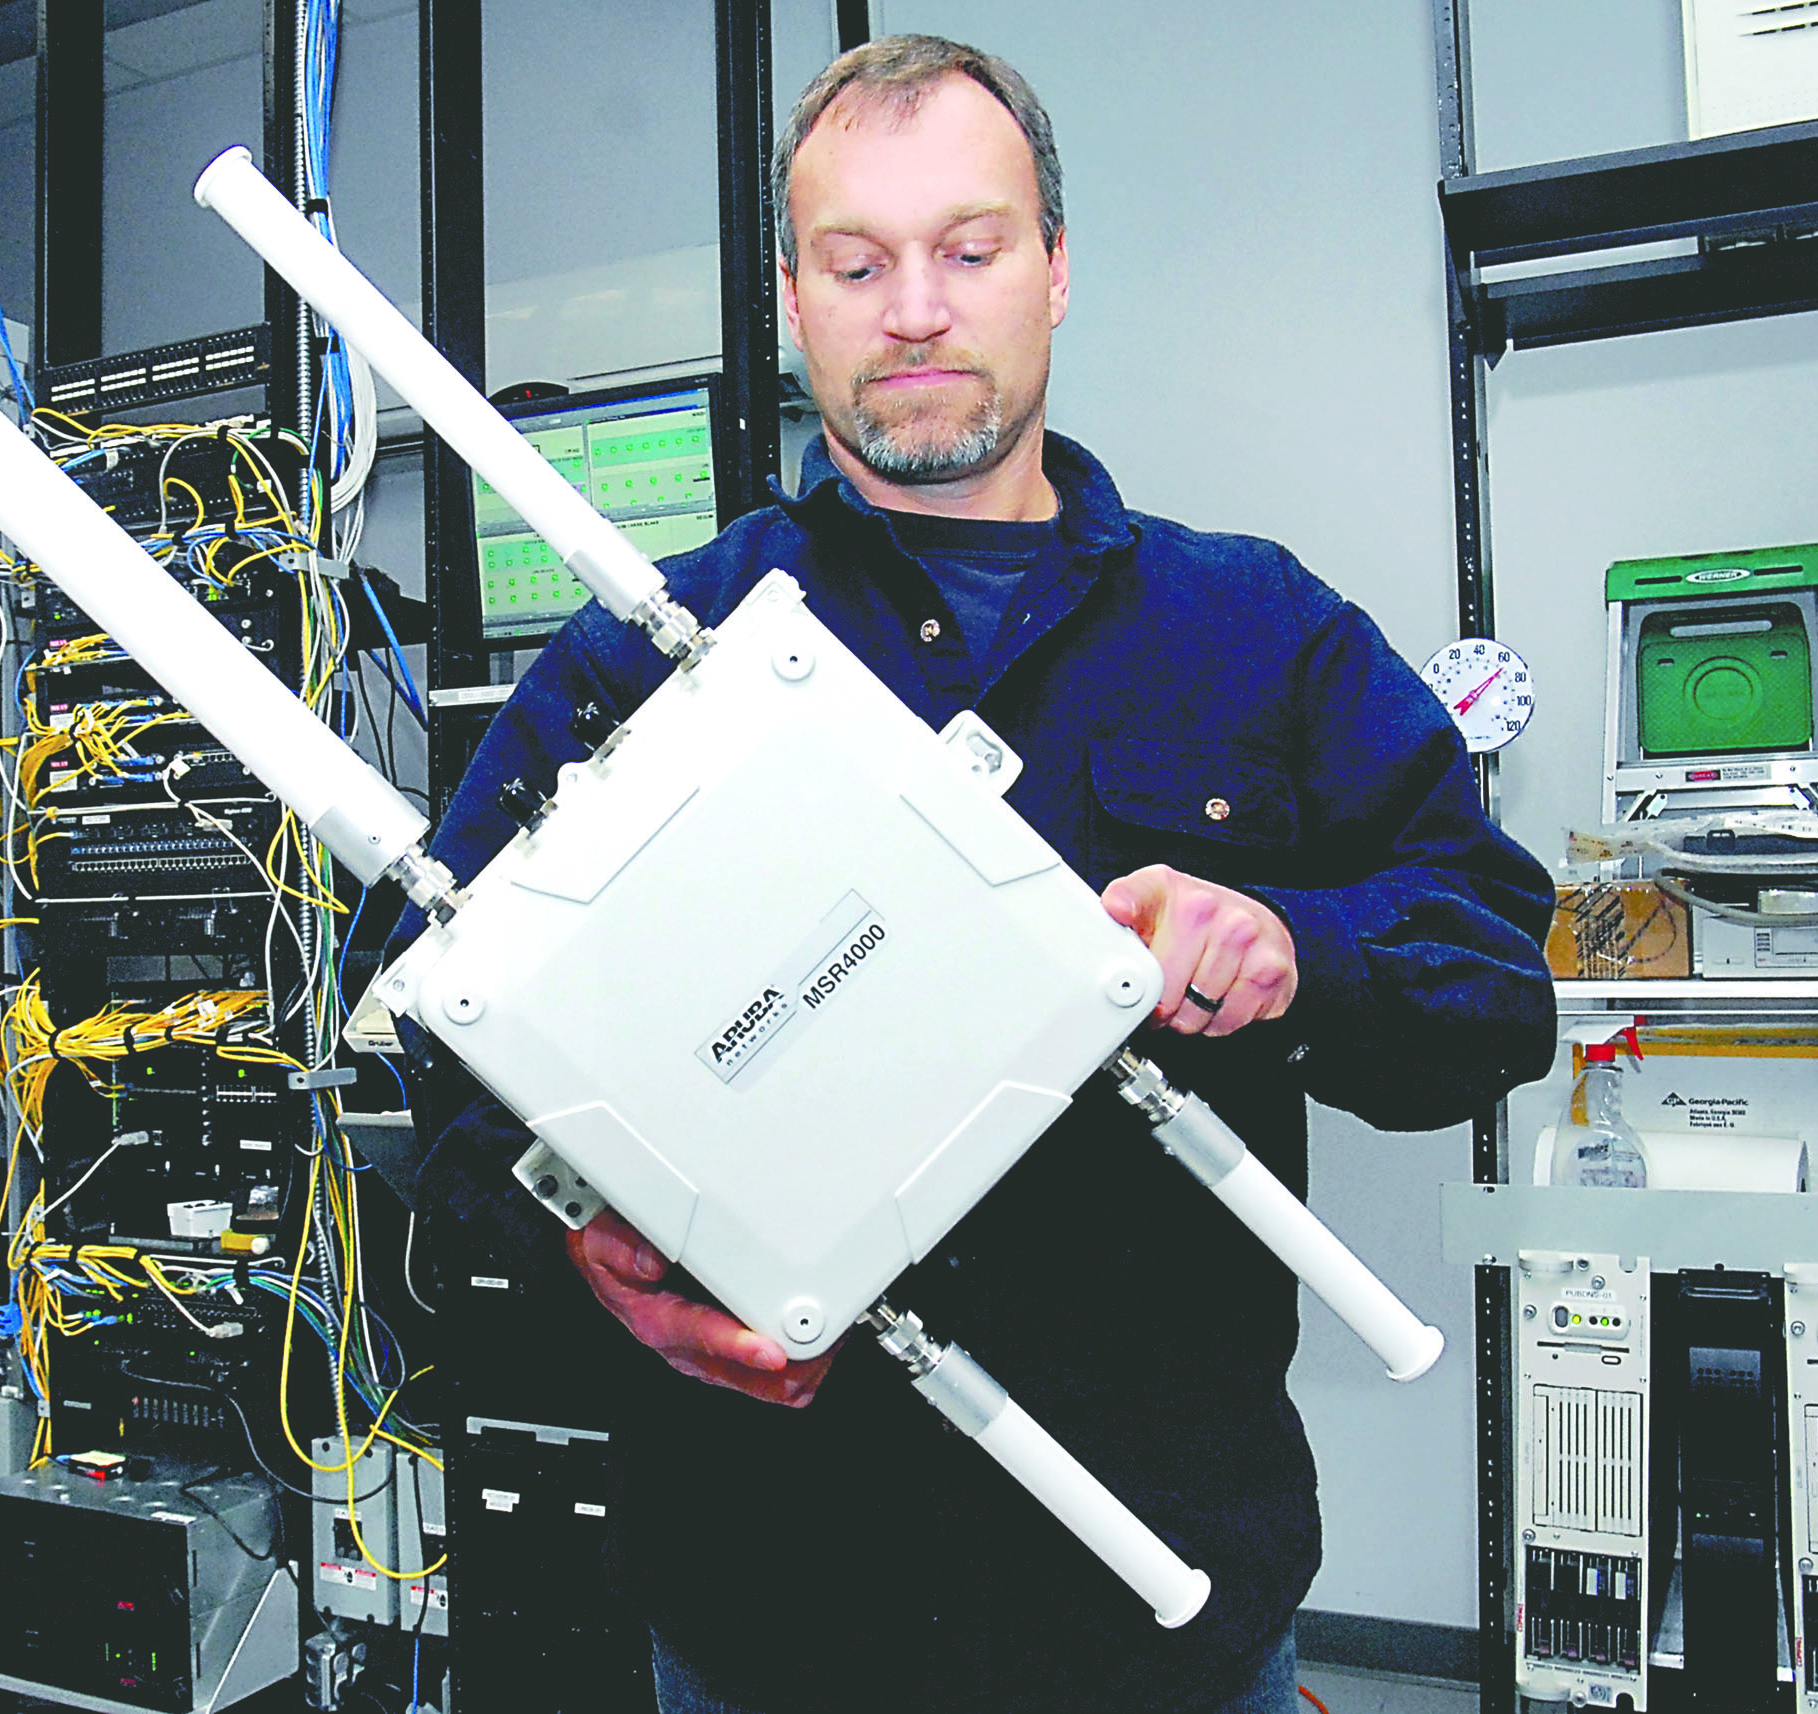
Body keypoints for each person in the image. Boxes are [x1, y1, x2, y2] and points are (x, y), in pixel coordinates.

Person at [403, 34, 1556, 1714]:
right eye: (857, 263)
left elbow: (1493, 973)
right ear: (793, 299)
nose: (917, 311)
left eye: (969, 248)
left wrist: (1292, 945)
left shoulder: (1255, 630)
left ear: (1057, 269)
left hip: (1169, 1627)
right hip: (769, 1619)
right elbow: (425, 1004)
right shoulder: (652, 654)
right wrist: (576, 1226)